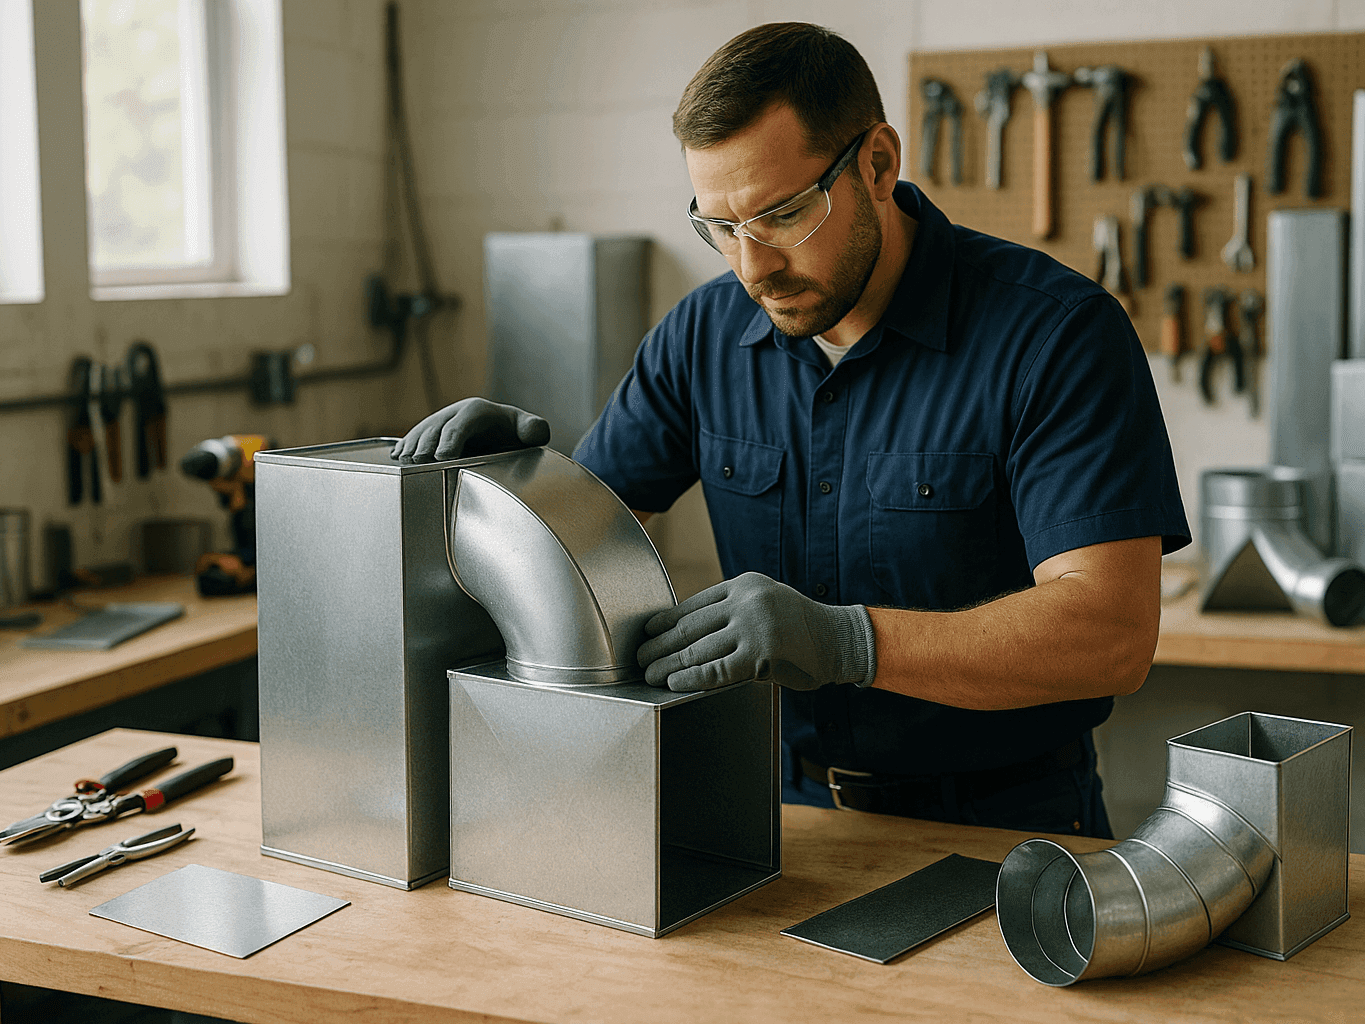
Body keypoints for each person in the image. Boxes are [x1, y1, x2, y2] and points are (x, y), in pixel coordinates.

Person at [392, 22, 1190, 839]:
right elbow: (590, 544)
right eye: (721, 227)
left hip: (1006, 828)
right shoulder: (700, 339)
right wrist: (514, 489)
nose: (751, 267)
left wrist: (850, 641)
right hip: (778, 816)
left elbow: (1111, 635)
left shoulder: (1056, 336)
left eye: (781, 216)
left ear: (878, 164)